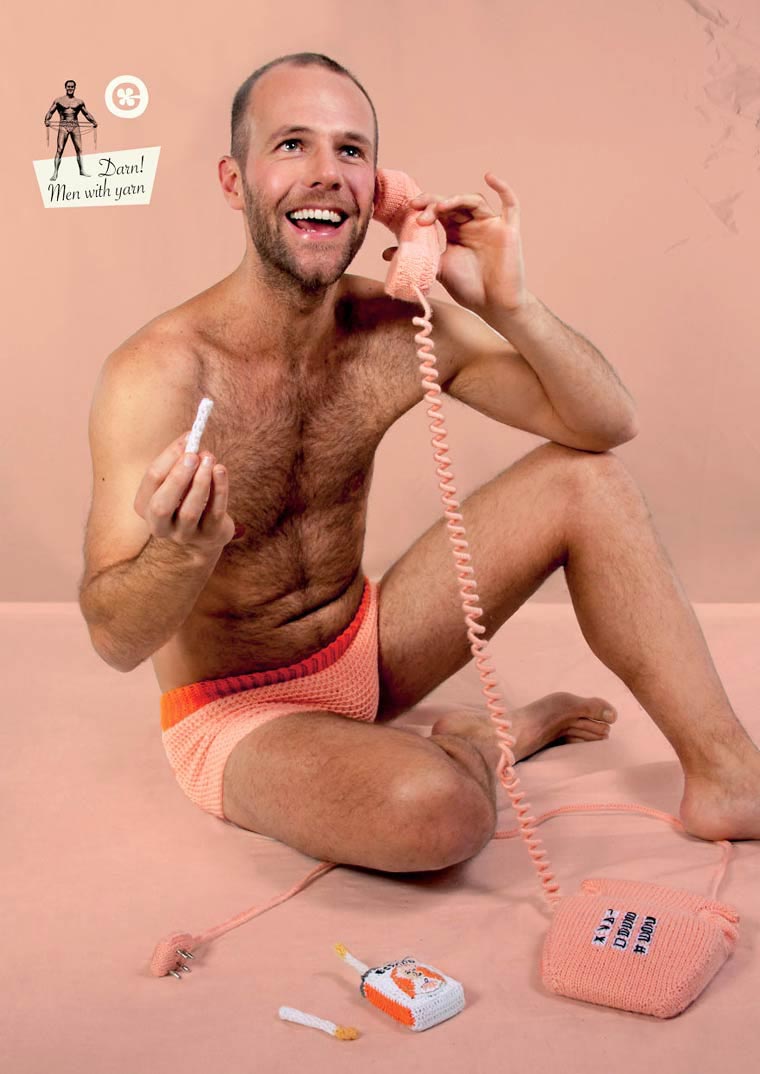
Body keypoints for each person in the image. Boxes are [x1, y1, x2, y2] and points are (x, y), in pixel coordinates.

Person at [78, 52, 760, 873]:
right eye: (292, 145)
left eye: (351, 150)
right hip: (237, 714)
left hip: (367, 649)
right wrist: (181, 555)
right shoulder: (156, 373)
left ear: (380, 190)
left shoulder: (393, 326)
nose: (325, 173)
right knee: (440, 814)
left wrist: (512, 304)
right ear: (234, 181)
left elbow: (607, 423)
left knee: (587, 481)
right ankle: (474, 738)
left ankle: (730, 775)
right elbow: (115, 638)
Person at [45, 80, 97, 181]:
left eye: (72, 87)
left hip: (75, 125)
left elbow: (86, 114)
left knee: (79, 149)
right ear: (65, 87)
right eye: (68, 86)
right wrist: (47, 120)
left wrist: (94, 121)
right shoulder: (59, 100)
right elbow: (50, 112)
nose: (70, 88)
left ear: (75, 88)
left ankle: (82, 170)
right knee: (59, 149)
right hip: (63, 125)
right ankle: (55, 173)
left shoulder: (79, 102)